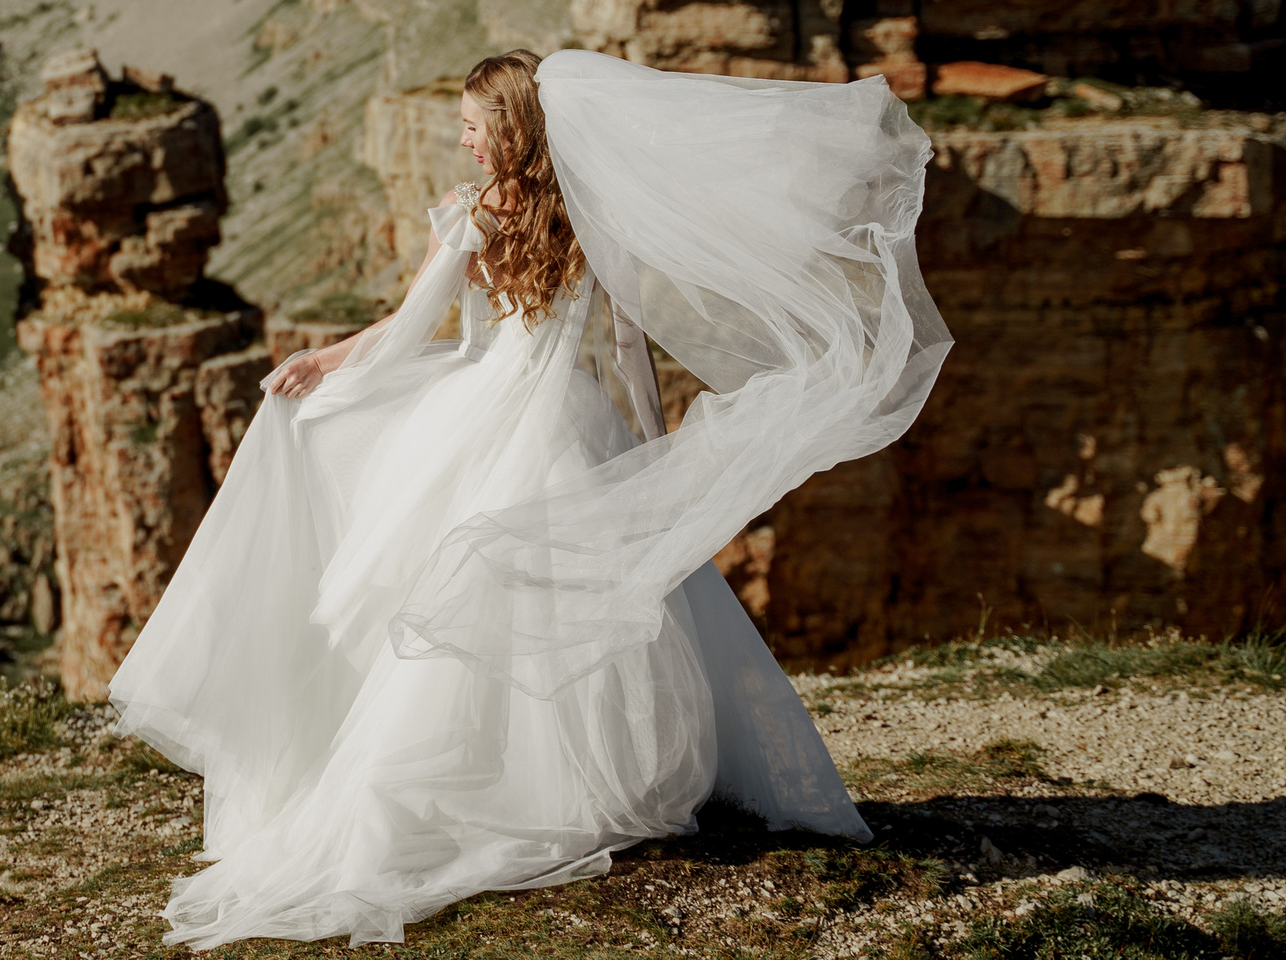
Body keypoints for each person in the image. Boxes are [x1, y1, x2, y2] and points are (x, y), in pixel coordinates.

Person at [107, 47, 950, 949]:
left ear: (511, 130)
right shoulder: (589, 213)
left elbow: (409, 327)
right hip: (566, 418)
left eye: (474, 126)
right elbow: (627, 346)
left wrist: (326, 362)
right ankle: (569, 787)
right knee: (556, 598)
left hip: (485, 408)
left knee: (463, 590)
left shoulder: (471, 214)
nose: (464, 142)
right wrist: (652, 451)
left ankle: (476, 788)